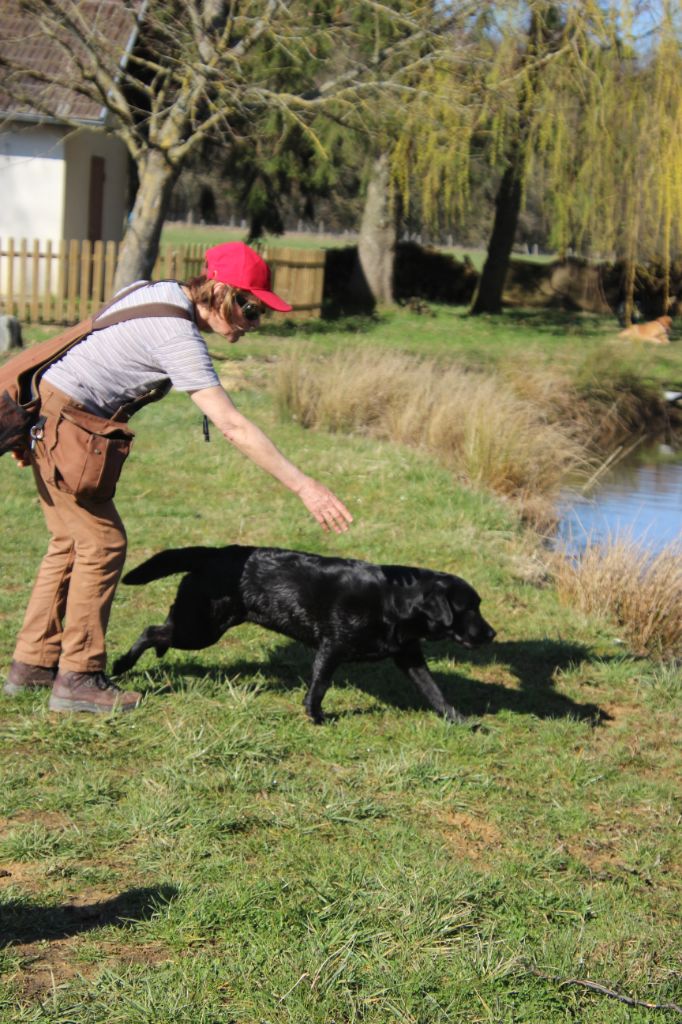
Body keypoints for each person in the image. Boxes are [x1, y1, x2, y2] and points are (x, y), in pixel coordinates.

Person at [3, 242, 352, 714]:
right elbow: (232, 425)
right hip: (66, 424)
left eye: (260, 314)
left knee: (70, 540)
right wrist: (305, 486)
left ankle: (33, 664)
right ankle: (78, 678)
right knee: (102, 544)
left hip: (51, 415)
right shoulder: (177, 336)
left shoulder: (159, 291)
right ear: (221, 291)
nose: (253, 323)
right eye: (249, 309)